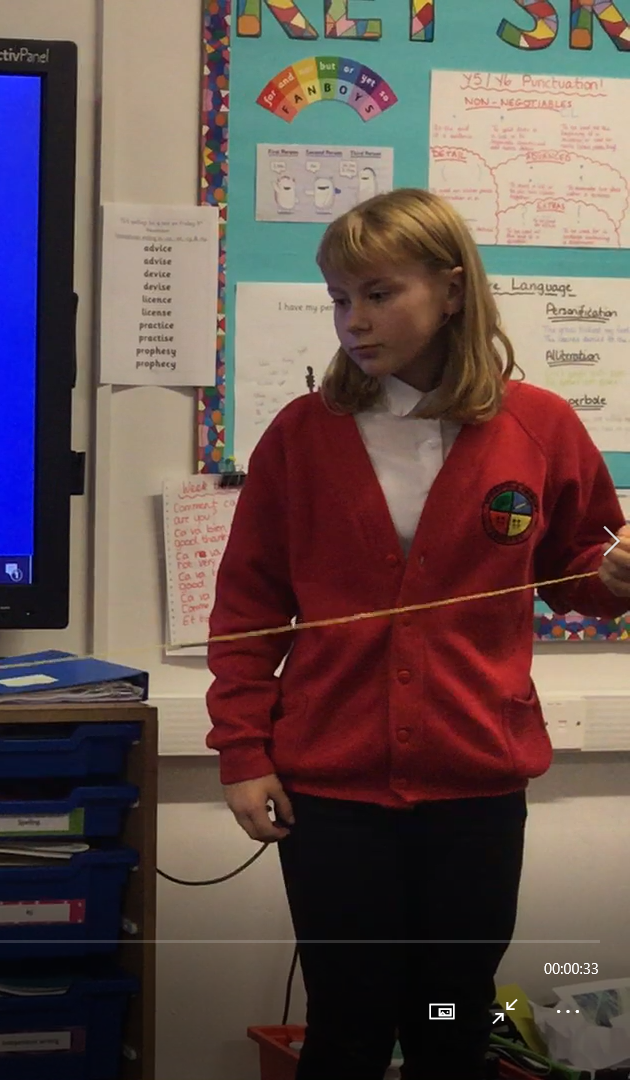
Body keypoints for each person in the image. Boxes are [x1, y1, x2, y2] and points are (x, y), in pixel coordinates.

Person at [207, 187, 630, 1080]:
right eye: (339, 299)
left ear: (451, 289)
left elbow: (584, 573)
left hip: (475, 786)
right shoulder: (303, 436)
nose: (353, 321)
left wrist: (616, 574)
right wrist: (242, 750)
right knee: (348, 1025)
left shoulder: (539, 426)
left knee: (451, 1019)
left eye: (379, 293)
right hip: (333, 794)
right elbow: (247, 611)